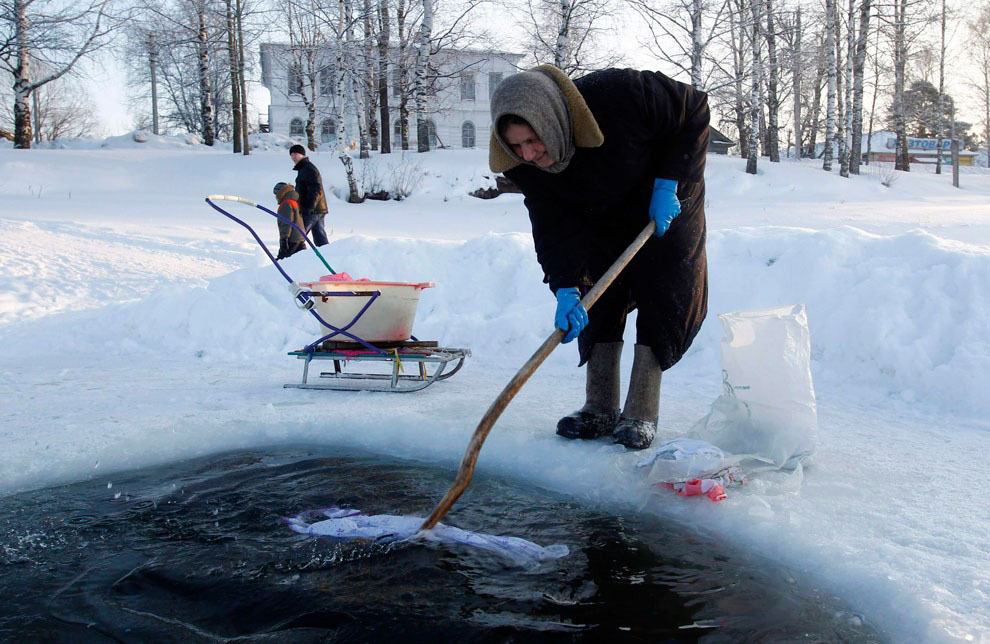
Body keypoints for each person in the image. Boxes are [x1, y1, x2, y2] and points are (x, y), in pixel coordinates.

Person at [489, 65, 709, 450]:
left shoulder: (621, 95)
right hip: (598, 213)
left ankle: (641, 411)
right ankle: (600, 407)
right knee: (597, 291)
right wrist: (565, 286)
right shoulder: (526, 166)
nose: (529, 153)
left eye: (532, 140)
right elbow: (551, 223)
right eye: (516, 146)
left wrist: (668, 182)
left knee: (663, 292)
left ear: (550, 119)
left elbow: (692, 110)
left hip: (664, 203)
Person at [288, 143, 329, 246]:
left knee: (298, 235)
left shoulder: (308, 169)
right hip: (317, 209)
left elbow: (316, 189)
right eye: (292, 155)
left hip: (312, 210)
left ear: (302, 155)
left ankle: (289, 257)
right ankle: (328, 256)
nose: (293, 157)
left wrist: (309, 207)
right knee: (320, 239)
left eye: (296, 154)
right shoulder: (303, 169)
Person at [273, 182, 306, 260]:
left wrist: (284, 239)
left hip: (292, 238)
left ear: (280, 193)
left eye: (276, 194)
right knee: (302, 259)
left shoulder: (286, 204)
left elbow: (286, 223)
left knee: (283, 260)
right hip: (300, 236)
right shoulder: (294, 201)